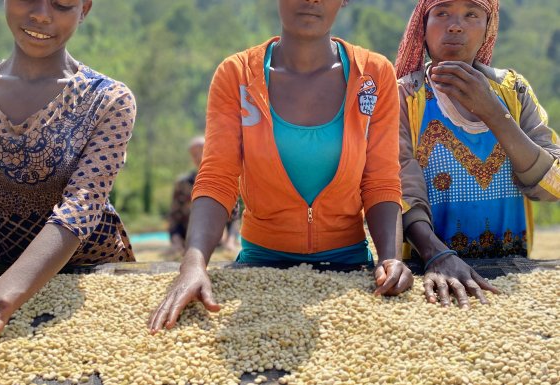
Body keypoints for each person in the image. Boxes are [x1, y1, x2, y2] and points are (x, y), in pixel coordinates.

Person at [149, 0, 414, 332]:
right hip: (260, 264)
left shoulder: (373, 75)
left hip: (349, 269)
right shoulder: (237, 75)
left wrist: (390, 259)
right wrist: (193, 262)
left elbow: (381, 181)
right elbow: (218, 177)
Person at [0, 0, 136, 340]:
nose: (41, 15)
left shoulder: (108, 100)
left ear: (85, 9)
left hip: (92, 274)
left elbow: (81, 207)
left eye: (62, 4)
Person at [396, 0, 560, 308]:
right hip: (431, 275)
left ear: (488, 29)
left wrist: (494, 113)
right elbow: (398, 186)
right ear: (424, 26)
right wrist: (438, 255)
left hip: (510, 276)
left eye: (471, 15)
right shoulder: (405, 97)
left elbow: (554, 184)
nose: (455, 25)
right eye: (442, 13)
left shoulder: (514, 92)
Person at [168, 136, 241, 254]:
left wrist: (231, 242)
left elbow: (234, 218)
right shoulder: (182, 184)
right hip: (189, 244)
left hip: (219, 243)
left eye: (202, 151)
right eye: (194, 154)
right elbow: (174, 217)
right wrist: (176, 242)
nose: (199, 157)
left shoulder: (224, 180)